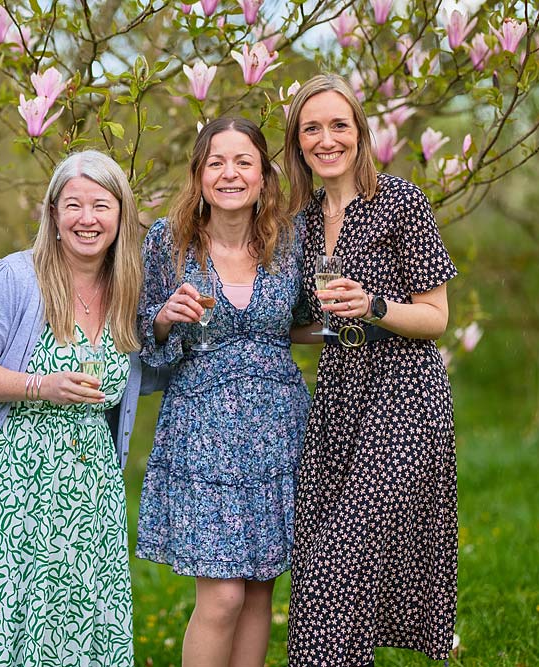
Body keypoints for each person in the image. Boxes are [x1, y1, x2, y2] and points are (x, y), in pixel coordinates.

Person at [0, 150, 145, 666]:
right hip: (4, 492)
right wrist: (37, 386)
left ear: (121, 214)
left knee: (72, 634)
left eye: (101, 205)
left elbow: (142, 375)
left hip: (88, 495)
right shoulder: (14, 279)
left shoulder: (126, 290)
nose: (87, 219)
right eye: (73, 205)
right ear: (52, 215)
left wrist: (165, 327)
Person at [282, 73, 459, 666]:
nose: (326, 139)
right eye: (312, 128)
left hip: (406, 398)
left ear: (360, 132)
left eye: (339, 125)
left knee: (342, 561)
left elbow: (436, 318)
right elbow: (317, 325)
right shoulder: (302, 222)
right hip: (338, 400)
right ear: (298, 142)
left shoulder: (402, 202)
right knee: (315, 571)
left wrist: (376, 306)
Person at [136, 117, 310, 667]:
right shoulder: (169, 240)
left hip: (278, 428)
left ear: (263, 176)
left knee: (260, 589)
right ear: (199, 174)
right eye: (216, 162)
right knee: (223, 595)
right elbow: (142, 332)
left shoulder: (290, 242)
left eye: (243, 162)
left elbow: (304, 319)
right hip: (203, 429)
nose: (230, 173)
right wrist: (165, 318)